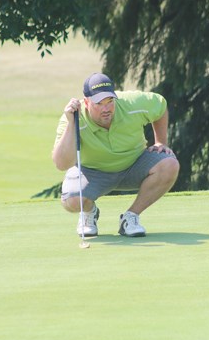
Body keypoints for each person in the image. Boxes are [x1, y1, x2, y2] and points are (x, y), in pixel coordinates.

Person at [52, 73, 180, 237]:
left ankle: (130, 217)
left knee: (170, 164)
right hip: (92, 172)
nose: (106, 109)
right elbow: (61, 164)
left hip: (134, 165)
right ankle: (89, 213)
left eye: (110, 101)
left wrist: (160, 142)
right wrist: (72, 124)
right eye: (99, 103)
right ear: (86, 102)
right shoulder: (73, 118)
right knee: (72, 202)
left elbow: (160, 106)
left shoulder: (132, 102)